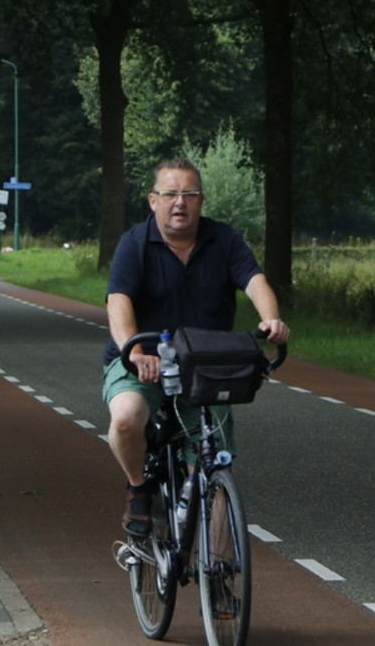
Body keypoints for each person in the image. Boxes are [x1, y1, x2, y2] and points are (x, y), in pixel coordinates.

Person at [102, 157, 290, 537]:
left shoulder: (224, 240)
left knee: (211, 469)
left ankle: (218, 563)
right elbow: (118, 300)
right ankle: (139, 488)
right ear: (153, 200)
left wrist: (270, 319)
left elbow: (254, 280)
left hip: (206, 365)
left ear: (201, 201)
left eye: (189, 194)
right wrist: (134, 354)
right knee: (125, 418)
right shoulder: (134, 243)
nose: (180, 203)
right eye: (170, 194)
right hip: (144, 358)